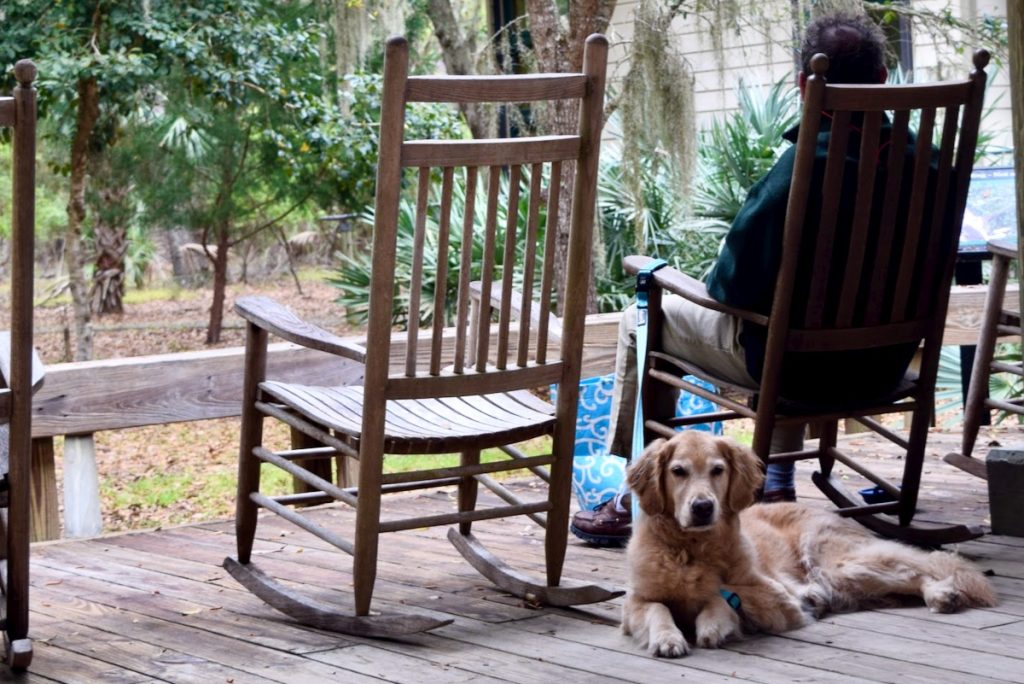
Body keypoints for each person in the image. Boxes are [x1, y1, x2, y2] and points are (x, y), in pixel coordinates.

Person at [571, 12, 913, 546]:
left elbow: (731, 291)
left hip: (797, 370)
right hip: (885, 366)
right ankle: (775, 480)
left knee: (641, 315)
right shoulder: (928, 159)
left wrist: (684, 278)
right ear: (883, 79)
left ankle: (635, 496)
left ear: (805, 85)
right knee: (793, 324)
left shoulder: (800, 169)